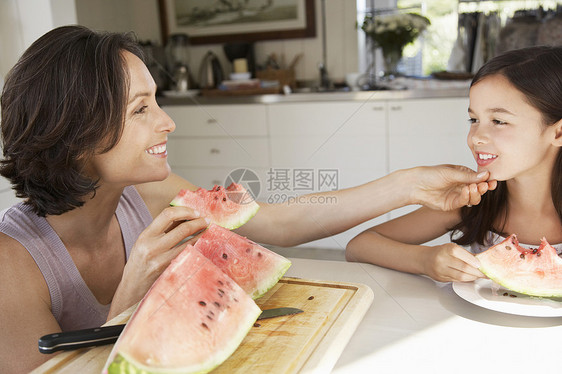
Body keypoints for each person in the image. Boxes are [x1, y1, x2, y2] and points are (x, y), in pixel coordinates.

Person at [0, 25, 495, 373]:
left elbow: (278, 224)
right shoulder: (12, 263)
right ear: (77, 133)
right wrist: (130, 299)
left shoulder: (142, 194)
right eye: (141, 109)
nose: (167, 122)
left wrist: (406, 185)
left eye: (158, 101)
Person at [346, 45, 562, 284]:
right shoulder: (471, 202)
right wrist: (425, 260)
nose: (476, 136)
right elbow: (358, 247)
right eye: (474, 119)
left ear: (559, 132)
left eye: (499, 121)